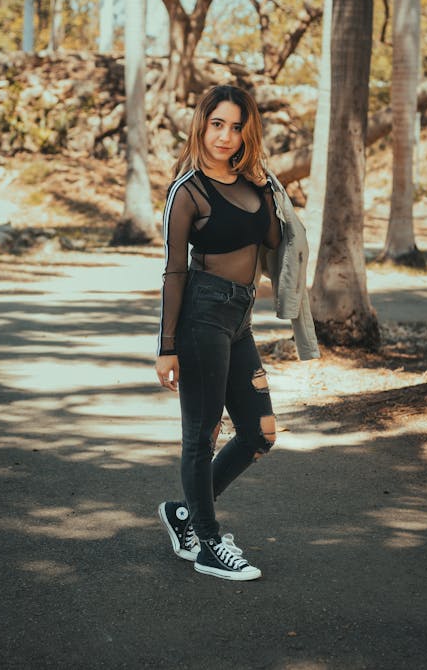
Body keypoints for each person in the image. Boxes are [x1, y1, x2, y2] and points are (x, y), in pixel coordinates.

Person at [155, 84, 283, 582]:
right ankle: (207, 544)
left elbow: (272, 239)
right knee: (201, 434)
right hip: (202, 315)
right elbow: (173, 271)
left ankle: (185, 514)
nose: (225, 137)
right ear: (201, 124)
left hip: (241, 317)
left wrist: (267, 188)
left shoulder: (255, 184)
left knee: (259, 433)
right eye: (217, 125)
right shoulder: (187, 190)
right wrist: (166, 346)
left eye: (236, 127)